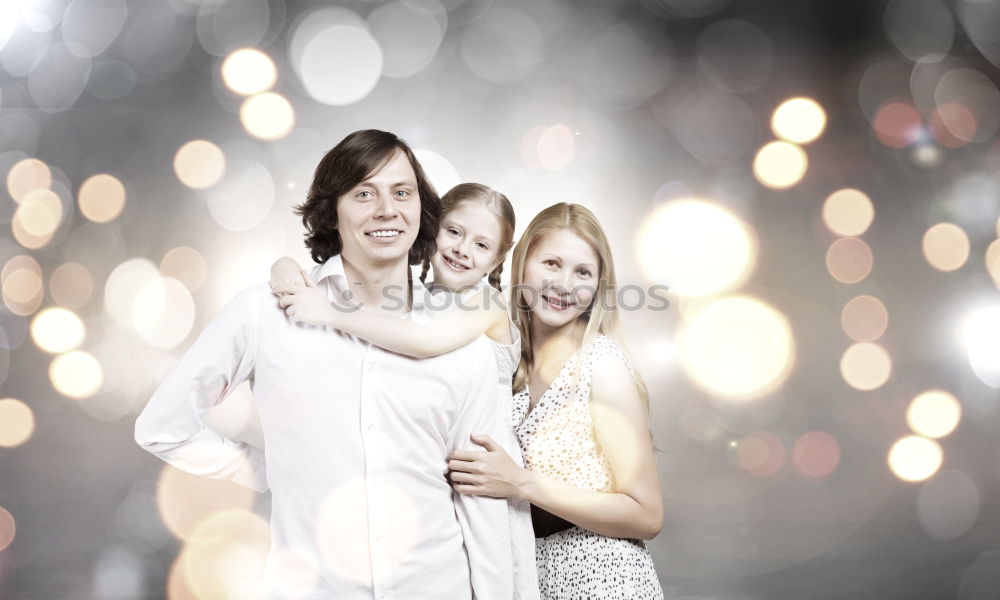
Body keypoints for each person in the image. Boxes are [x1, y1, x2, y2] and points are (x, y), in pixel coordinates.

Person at [134, 130, 524, 599]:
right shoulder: (265, 312)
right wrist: (265, 470)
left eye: (402, 192)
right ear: (332, 211)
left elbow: (480, 500)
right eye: (364, 193)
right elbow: (163, 426)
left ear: (422, 209)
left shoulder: (463, 341)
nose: (387, 209)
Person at [269, 182, 539, 599]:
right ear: (433, 227)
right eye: (454, 232)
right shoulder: (417, 295)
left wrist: (331, 313)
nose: (462, 249)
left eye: (482, 245)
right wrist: (284, 265)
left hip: (482, 464)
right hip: (433, 458)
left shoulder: (487, 304)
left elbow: (423, 342)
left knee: (492, 575)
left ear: (498, 259)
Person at [447, 203, 665, 599]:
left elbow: (647, 514)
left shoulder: (601, 366)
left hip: (604, 582)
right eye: (551, 263)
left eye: (582, 272)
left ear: (598, 284)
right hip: (528, 578)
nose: (564, 284)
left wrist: (520, 482)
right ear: (523, 262)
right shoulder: (503, 357)